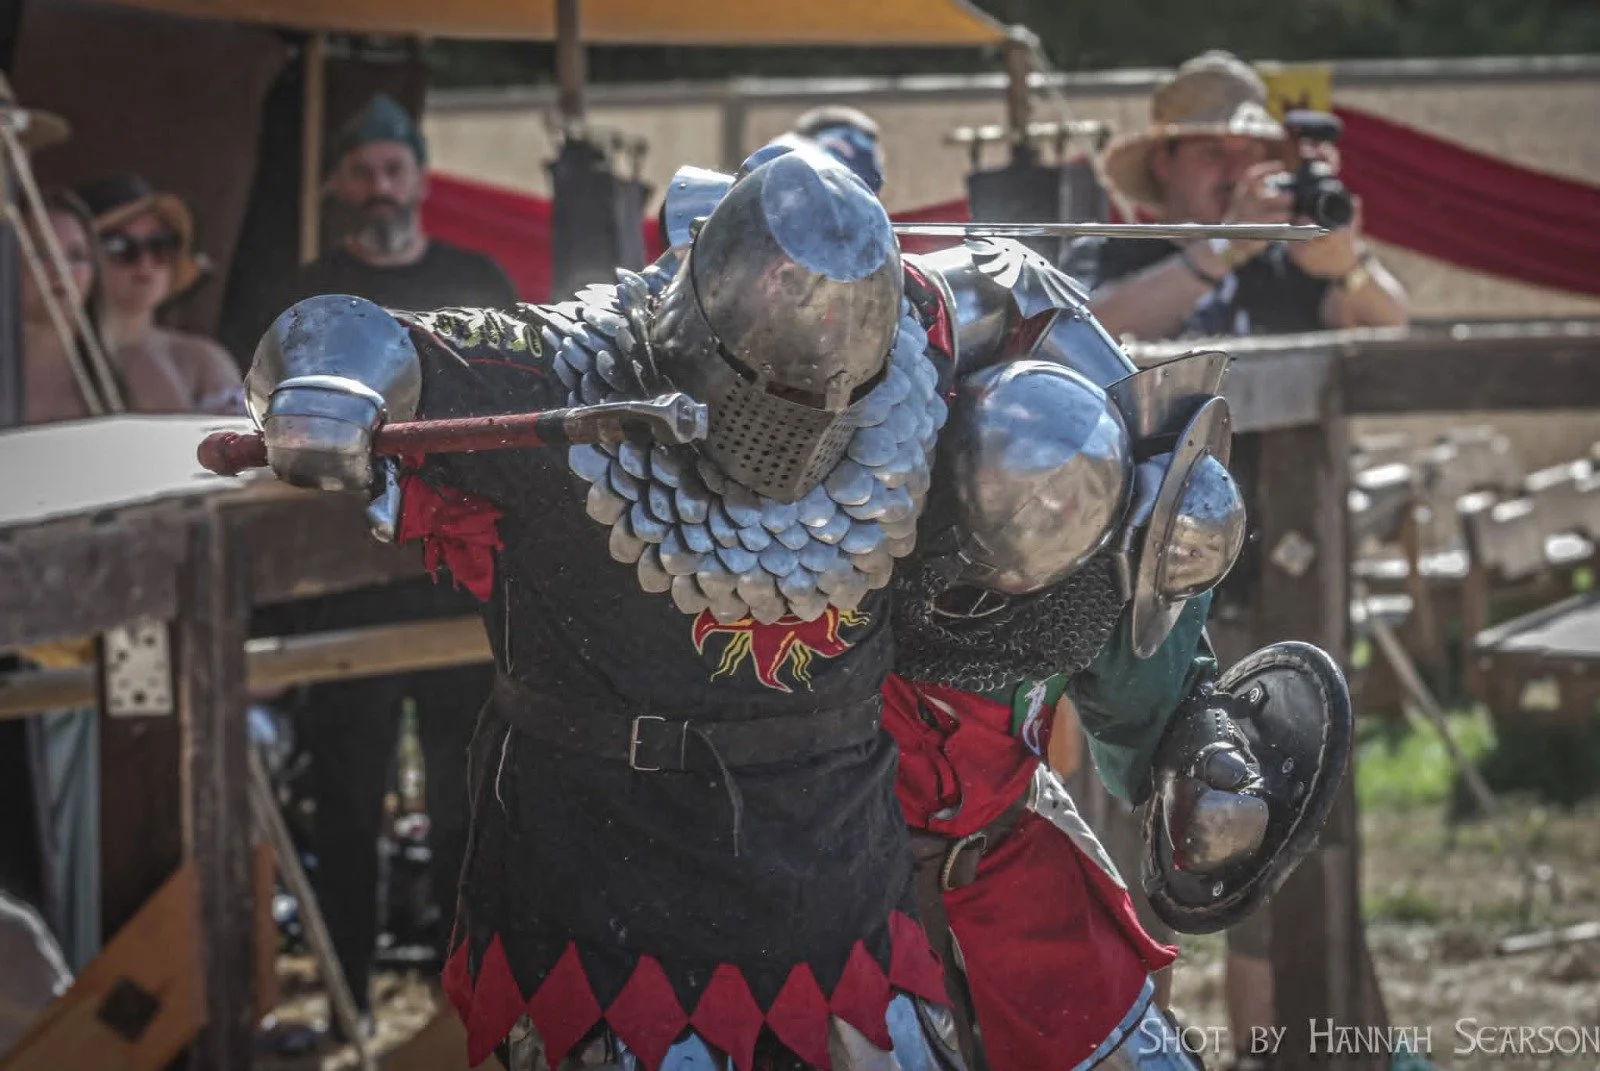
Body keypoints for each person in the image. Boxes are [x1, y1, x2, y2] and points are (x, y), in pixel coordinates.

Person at [1065, 51, 1411, 1071]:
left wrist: (1340, 262)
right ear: (1161, 164)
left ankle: (1272, 1050)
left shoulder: (1285, 265)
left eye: (1247, 148)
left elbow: (1393, 326)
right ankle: (1135, 1044)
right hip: (1129, 616)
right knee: (1129, 843)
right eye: (1210, 149)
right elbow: (1086, 330)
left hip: (1275, 584)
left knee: (1268, 827)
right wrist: (1212, 257)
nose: (1234, 166)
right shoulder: (1100, 257)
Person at [246, 93, 515, 1030]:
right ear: (337, 183)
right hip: (342, 586)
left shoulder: (474, 277)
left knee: (461, 804)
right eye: (361, 170)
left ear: (421, 179)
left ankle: (458, 1010)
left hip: (448, 584)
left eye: (393, 168)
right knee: (348, 804)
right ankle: (350, 1001)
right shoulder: (307, 300)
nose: (378, 186)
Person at [76, 174, 245, 416]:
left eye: (160, 246)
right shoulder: (50, 360)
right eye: (120, 247)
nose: (145, 263)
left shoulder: (201, 361)